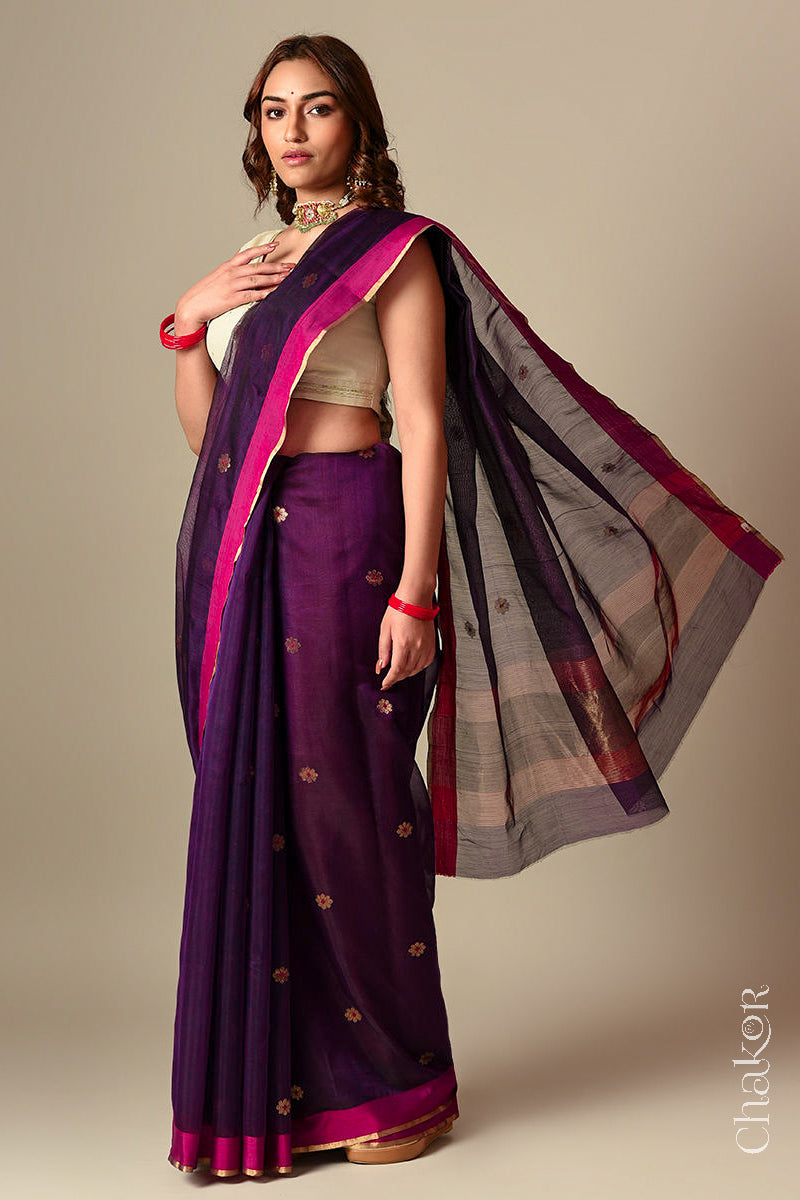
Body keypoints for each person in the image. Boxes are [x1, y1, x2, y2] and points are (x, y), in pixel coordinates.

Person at [160, 33, 784, 1180]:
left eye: (316, 110)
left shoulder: (394, 254)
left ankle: (397, 1087)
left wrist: (414, 590)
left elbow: (425, 422)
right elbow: (216, 448)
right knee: (268, 807)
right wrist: (188, 323)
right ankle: (285, 1096)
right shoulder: (255, 259)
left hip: (351, 531)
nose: (290, 132)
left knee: (351, 806)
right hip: (258, 545)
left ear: (359, 124)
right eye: (270, 112)